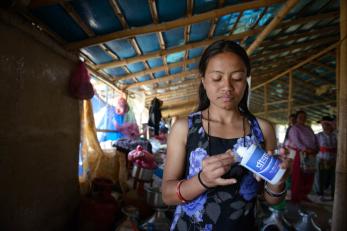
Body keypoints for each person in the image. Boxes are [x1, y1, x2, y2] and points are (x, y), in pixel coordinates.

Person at [162, 40, 290, 231]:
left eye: (237, 78)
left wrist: (278, 180)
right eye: (217, 78)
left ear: (246, 80)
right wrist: (202, 180)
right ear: (204, 81)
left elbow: (270, 200)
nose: (227, 87)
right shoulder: (185, 128)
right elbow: (167, 195)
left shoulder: (262, 129)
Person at [287, 110, 318, 203]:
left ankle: (304, 195)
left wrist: (316, 148)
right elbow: (296, 142)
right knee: (298, 176)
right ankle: (296, 197)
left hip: (311, 154)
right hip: (300, 154)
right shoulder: (294, 128)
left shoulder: (309, 128)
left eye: (304, 117)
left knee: (309, 175)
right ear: (296, 119)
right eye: (300, 117)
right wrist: (305, 149)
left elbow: (314, 139)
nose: (303, 119)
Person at [314, 116, 337, 201]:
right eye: (323, 124)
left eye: (327, 124)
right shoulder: (318, 135)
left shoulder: (336, 135)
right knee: (320, 177)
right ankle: (320, 194)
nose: (324, 126)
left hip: (333, 160)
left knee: (333, 178)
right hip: (321, 159)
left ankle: (333, 195)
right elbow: (315, 146)